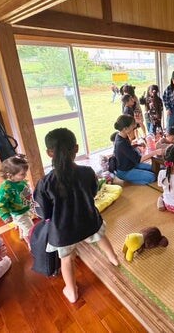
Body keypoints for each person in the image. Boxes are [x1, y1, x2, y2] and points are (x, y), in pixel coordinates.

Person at [34, 128, 119, 304]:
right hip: (89, 222)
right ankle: (114, 259)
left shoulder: (45, 183)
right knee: (100, 237)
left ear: (49, 153)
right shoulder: (87, 172)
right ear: (76, 148)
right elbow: (93, 193)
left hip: (63, 233)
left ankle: (71, 292)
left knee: (66, 259)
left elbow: (44, 213)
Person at [0, 154, 34, 247]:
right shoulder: (5, 188)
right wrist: (5, 216)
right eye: (22, 174)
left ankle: (22, 232)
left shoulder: (21, 181)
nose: (25, 175)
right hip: (18, 213)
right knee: (30, 229)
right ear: (10, 175)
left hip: (26, 208)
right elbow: (0, 204)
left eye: (25, 173)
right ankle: (31, 244)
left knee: (25, 224)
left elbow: (26, 193)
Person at [113, 115, 161, 184]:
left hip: (132, 164)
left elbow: (127, 149)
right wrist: (155, 152)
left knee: (155, 168)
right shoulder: (121, 143)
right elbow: (139, 160)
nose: (134, 126)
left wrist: (137, 145)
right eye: (132, 125)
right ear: (125, 129)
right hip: (125, 171)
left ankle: (134, 176)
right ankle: (129, 180)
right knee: (152, 177)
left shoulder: (121, 135)